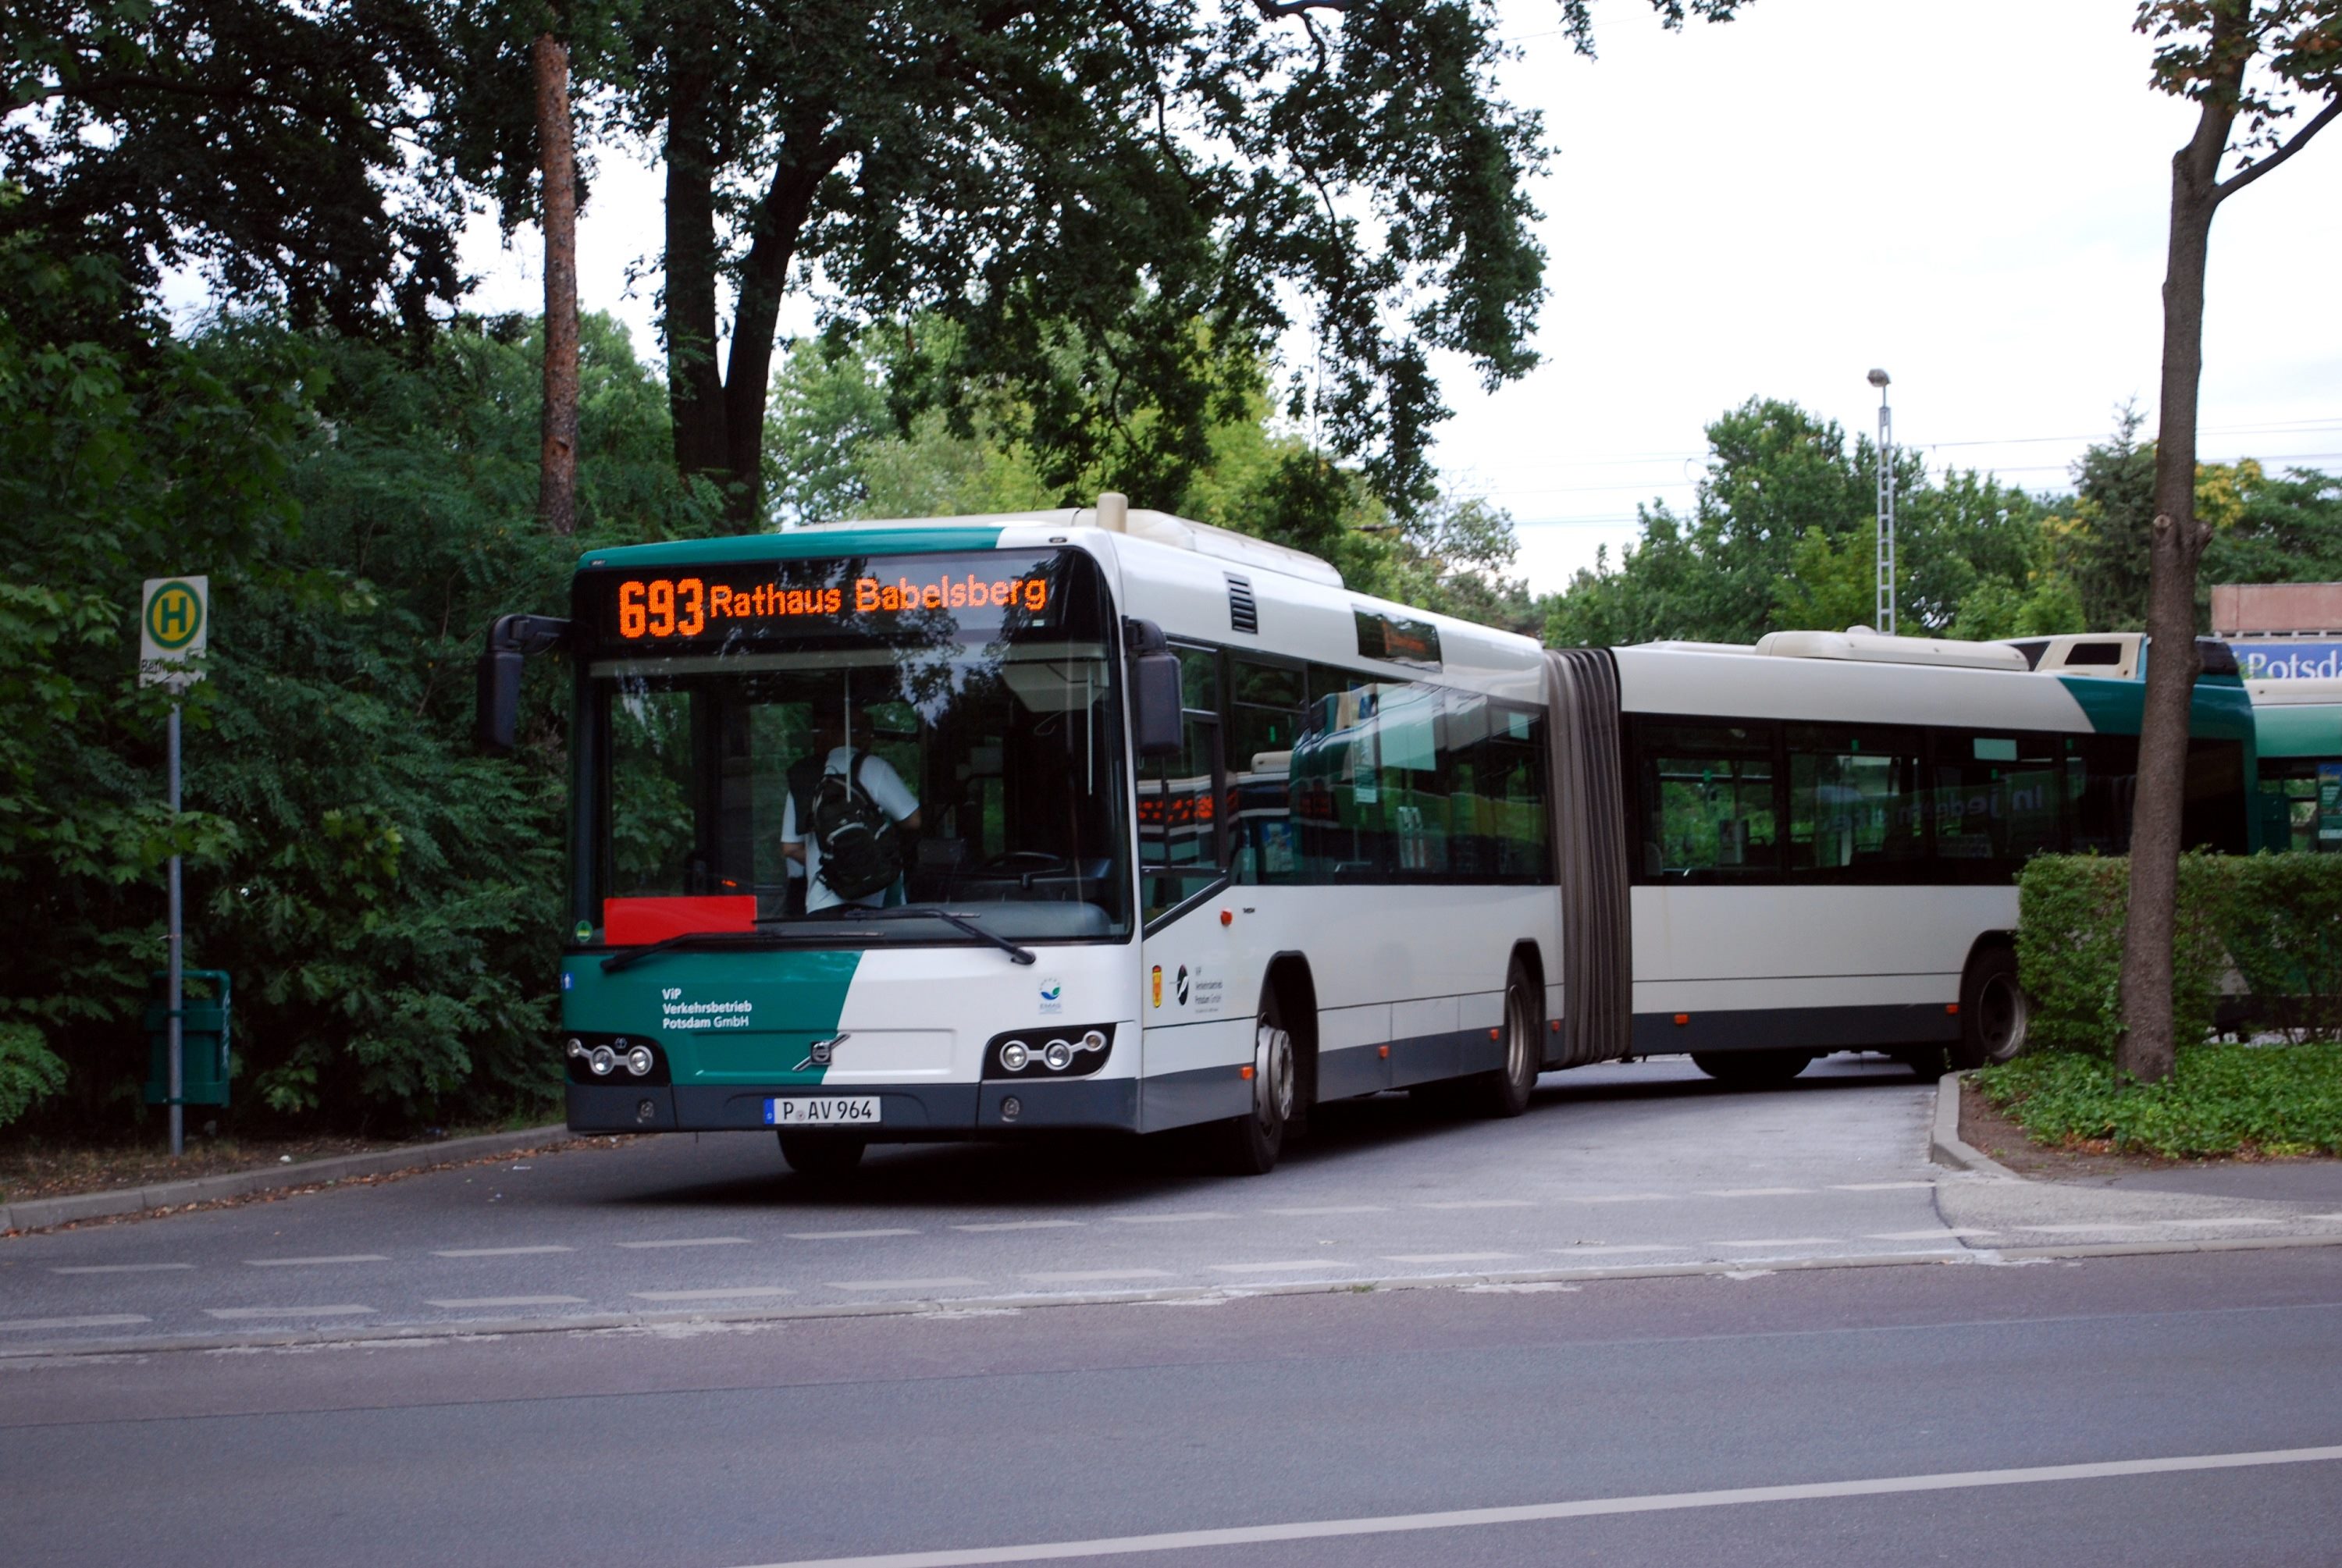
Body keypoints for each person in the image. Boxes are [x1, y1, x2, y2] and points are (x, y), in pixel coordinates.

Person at [781, 701, 922, 913]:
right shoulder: (874, 767)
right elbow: (913, 820)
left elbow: (790, 847)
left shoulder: (804, 776)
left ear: (830, 734)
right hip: (875, 902)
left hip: (822, 904)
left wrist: (838, 865)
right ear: (865, 735)